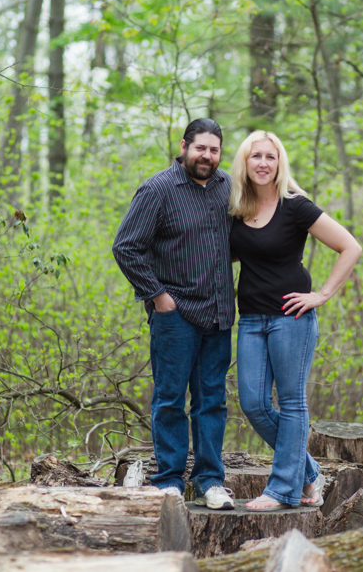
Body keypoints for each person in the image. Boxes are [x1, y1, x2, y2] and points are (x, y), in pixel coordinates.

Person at [228, 130, 362, 511]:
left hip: (291, 318)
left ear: (279, 163)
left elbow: (350, 247)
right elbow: (238, 253)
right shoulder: (237, 208)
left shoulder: (295, 206)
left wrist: (322, 294)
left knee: (291, 403)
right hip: (251, 320)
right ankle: (309, 472)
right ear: (244, 162)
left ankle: (283, 490)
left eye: (270, 157)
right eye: (256, 156)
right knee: (253, 404)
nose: (263, 163)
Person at [112, 118, 237, 510]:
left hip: (219, 314)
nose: (207, 156)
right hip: (176, 315)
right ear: (184, 147)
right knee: (169, 400)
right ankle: (168, 480)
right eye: (200, 148)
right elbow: (125, 246)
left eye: (214, 150)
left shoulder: (228, 187)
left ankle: (210, 481)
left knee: (212, 402)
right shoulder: (158, 189)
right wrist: (158, 296)